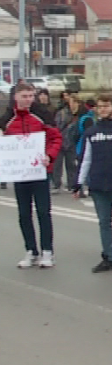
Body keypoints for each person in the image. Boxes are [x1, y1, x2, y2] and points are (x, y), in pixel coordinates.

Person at [74, 96, 112, 274]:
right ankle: (108, 258)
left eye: (106, 106)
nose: (103, 109)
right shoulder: (91, 132)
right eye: (100, 107)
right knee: (104, 222)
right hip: (98, 185)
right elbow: (86, 159)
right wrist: (79, 183)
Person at [5, 81, 63, 268]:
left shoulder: (42, 115)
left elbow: (55, 138)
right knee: (24, 214)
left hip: (40, 172)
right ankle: (31, 251)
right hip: (20, 173)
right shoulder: (7, 118)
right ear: (16, 97)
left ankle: (48, 252)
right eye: (25, 96)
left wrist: (49, 155)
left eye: (31, 96)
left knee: (43, 212)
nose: (29, 100)